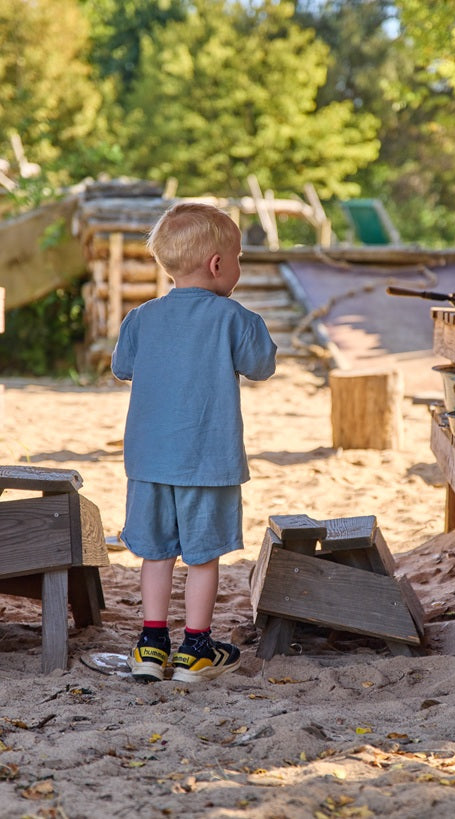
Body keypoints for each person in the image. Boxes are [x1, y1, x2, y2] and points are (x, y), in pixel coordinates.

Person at [111, 202, 277, 683]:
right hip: (209, 461)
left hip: (148, 462)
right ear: (218, 265)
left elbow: (123, 368)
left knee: (155, 552)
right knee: (203, 557)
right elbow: (262, 366)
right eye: (239, 258)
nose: (239, 268)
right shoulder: (233, 318)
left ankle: (150, 644)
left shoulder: (141, 318)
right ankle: (196, 650)